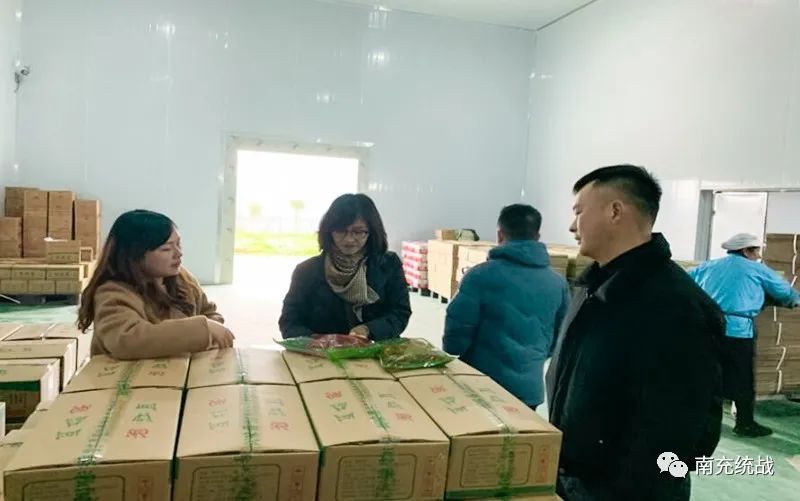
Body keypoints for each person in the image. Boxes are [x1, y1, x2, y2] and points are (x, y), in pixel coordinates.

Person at [546, 165, 724, 501]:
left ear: (615, 211)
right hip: (574, 478)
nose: (571, 226)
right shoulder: (592, 286)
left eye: (579, 212)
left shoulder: (675, 305)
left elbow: (680, 428)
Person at [443, 204, 569, 410]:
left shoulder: (480, 275)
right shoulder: (558, 283)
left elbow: (457, 329)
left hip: (482, 386)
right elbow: (561, 334)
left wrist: (454, 349)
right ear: (538, 236)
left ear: (500, 234)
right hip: (528, 391)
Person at [77, 210, 234, 359]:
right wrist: (201, 330)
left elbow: (209, 312)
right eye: (166, 249)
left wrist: (212, 328)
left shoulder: (183, 279)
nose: (179, 253)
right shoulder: (112, 293)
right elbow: (127, 340)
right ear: (135, 255)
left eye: (178, 244)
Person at [689, 233, 800, 437]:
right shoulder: (757, 269)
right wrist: (793, 301)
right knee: (742, 378)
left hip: (706, 330)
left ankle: (700, 421)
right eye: (756, 250)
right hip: (737, 331)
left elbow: (686, 286)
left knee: (707, 376)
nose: (758, 255)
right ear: (746, 251)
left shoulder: (707, 267)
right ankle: (745, 424)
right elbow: (784, 291)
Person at [279, 194, 411, 340]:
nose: (349, 240)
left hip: (376, 349)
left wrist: (368, 330)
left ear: (372, 231)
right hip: (321, 351)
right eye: (340, 231)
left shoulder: (388, 264)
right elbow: (289, 320)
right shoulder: (307, 270)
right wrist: (316, 341)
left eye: (358, 232)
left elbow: (400, 312)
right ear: (329, 231)